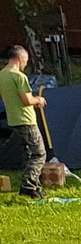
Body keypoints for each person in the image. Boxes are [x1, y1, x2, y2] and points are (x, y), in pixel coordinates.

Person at [1, 45, 45, 198]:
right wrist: (39, 100)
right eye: (26, 61)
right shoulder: (19, 76)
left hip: (13, 119)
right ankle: (28, 186)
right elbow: (27, 100)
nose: (26, 64)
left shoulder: (2, 75)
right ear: (20, 59)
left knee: (27, 155)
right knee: (39, 154)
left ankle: (35, 188)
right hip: (26, 120)